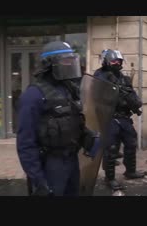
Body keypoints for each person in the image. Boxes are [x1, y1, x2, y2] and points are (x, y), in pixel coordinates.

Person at [17, 41, 93, 196]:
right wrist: (38, 180)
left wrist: (85, 134)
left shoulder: (68, 89)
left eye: (72, 61)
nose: (70, 65)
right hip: (50, 164)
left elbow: (71, 118)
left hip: (71, 160)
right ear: (50, 64)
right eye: (66, 61)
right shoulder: (33, 96)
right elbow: (25, 143)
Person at [94, 49, 144, 191]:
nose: (117, 63)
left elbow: (134, 96)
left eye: (119, 61)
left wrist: (135, 101)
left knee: (131, 142)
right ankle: (110, 178)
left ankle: (130, 170)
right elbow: (95, 93)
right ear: (107, 61)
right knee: (111, 148)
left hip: (124, 117)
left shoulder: (124, 78)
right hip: (110, 117)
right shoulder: (100, 75)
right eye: (114, 61)